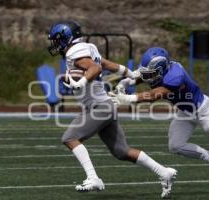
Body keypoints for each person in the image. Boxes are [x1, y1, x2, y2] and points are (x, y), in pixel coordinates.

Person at [111, 47, 209, 194]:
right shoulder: (160, 68)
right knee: (175, 145)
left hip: (202, 109)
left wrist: (127, 98)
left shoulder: (175, 75)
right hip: (185, 111)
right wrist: (126, 82)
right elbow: (141, 74)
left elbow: (155, 95)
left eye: (152, 74)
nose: (149, 77)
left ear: (161, 69)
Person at [47, 21, 177, 198]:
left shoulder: (73, 51)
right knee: (122, 152)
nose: (55, 44)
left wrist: (80, 83)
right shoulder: (89, 47)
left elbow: (96, 67)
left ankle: (93, 178)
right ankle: (164, 172)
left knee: (70, 137)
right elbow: (106, 64)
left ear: (66, 37)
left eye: (57, 40)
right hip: (105, 106)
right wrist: (129, 73)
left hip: (99, 106)